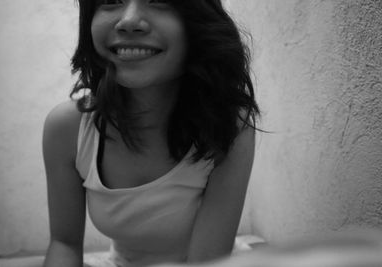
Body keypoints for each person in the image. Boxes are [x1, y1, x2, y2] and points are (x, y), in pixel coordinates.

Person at [42, 0, 260, 267]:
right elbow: (64, 244)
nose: (129, 20)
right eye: (111, 0)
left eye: (159, 1)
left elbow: (206, 262)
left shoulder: (228, 126)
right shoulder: (67, 128)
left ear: (198, 23)